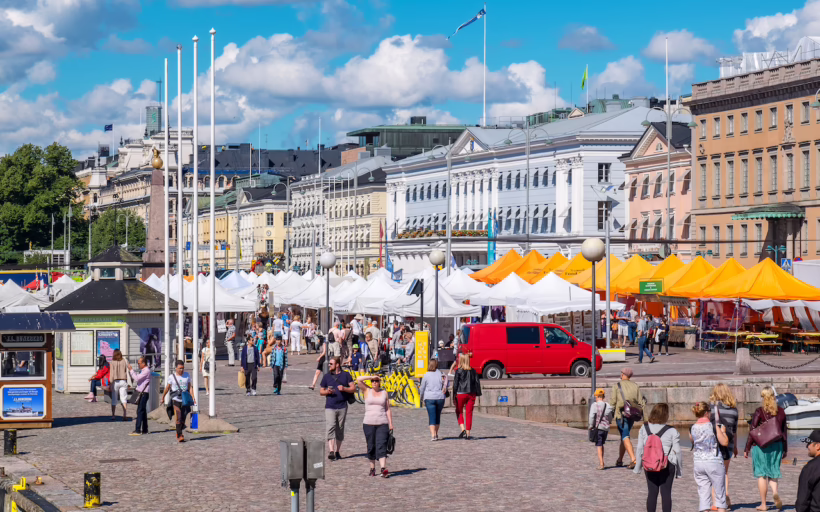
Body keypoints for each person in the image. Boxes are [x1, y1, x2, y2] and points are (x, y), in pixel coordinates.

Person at [744, 386, 787, 511]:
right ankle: (774, 492)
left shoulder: (759, 411)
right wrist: (785, 449)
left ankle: (763, 504)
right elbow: (784, 431)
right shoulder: (781, 411)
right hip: (777, 444)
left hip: (761, 446)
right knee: (773, 472)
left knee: (762, 474)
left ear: (763, 398)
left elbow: (752, 431)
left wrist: (746, 448)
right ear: (774, 397)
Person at [633, 403, 682, 512]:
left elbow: (640, 448)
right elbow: (677, 452)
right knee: (666, 494)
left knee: (652, 492)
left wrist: (638, 467)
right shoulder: (672, 431)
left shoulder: (644, 428)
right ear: (666, 415)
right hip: (667, 464)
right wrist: (679, 470)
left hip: (649, 464)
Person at [690, 401, 729, 512]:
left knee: (703, 496)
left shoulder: (692, 427)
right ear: (707, 413)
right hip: (714, 462)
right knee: (720, 496)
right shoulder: (713, 426)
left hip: (698, 463)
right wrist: (723, 432)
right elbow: (724, 442)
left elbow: (693, 441)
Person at [356, 374, 394, 478]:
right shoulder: (367, 391)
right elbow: (358, 380)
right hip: (368, 423)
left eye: (376, 381)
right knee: (371, 446)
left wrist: (390, 423)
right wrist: (371, 376)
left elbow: (387, 409)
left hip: (382, 423)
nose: (374, 382)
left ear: (379, 383)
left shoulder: (384, 393)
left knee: (382, 444)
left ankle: (383, 469)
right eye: (372, 381)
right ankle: (372, 468)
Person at [609, 367, 646, 469]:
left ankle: (634, 460)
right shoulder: (635, 386)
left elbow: (612, 403)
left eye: (621, 373)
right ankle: (620, 460)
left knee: (625, 436)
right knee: (624, 436)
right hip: (632, 415)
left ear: (624, 375)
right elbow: (641, 402)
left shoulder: (617, 386)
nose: (620, 374)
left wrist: (608, 416)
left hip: (621, 415)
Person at [710, 383, 740, 509]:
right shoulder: (734, 410)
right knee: (725, 472)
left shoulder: (712, 409)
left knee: (714, 473)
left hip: (714, 444)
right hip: (729, 443)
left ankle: (715, 503)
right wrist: (735, 447)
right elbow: (734, 431)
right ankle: (726, 493)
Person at [320, 357, 355, 460]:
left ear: (337, 365)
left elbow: (353, 388)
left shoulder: (346, 375)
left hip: (342, 406)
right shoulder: (327, 376)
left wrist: (344, 388)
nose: (329, 365)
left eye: (331, 364)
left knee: (340, 429)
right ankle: (331, 451)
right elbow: (321, 391)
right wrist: (327, 392)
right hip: (330, 406)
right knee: (330, 426)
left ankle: (337, 451)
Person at [161, 359, 194, 442]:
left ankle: (180, 429)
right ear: (176, 368)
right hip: (176, 399)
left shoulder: (187, 375)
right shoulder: (171, 377)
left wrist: (193, 397)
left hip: (185, 400)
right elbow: (167, 388)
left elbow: (190, 387)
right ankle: (179, 435)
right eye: (180, 368)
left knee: (183, 417)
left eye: (183, 368)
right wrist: (163, 397)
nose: (181, 370)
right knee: (178, 417)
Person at [452, 352, 481, 440]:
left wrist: (454, 395)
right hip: (471, 394)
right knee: (469, 413)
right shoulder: (473, 371)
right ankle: (468, 433)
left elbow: (455, 384)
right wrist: (477, 393)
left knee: (459, 411)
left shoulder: (458, 371)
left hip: (460, 393)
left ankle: (463, 429)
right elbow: (477, 383)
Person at [419, 359, 448, 441]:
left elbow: (422, 388)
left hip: (429, 397)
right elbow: (447, 384)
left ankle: (433, 435)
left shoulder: (426, 375)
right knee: (437, 416)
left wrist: (421, 397)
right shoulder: (441, 374)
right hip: (440, 397)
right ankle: (436, 433)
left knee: (431, 417)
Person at [588, 389, 613, 470]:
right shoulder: (608, 405)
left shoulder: (594, 405)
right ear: (603, 397)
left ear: (596, 396)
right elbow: (610, 417)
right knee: (601, 444)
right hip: (605, 429)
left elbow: (592, 417)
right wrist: (608, 422)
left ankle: (601, 463)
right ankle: (602, 461)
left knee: (598, 445)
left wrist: (591, 426)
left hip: (598, 428)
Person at [796, 430, 820, 512]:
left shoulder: (811, 468)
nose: (807, 446)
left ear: (817, 446)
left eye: (809, 443)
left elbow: (803, 500)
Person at [128, 356, 151, 436]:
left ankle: (138, 430)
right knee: (143, 411)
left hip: (144, 393)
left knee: (140, 411)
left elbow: (137, 378)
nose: (138, 365)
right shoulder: (143, 370)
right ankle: (145, 429)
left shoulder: (146, 371)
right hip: (142, 392)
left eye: (139, 363)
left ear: (143, 363)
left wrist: (131, 370)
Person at [108, 349, 129, 421]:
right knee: (124, 398)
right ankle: (125, 414)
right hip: (123, 380)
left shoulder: (112, 362)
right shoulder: (124, 360)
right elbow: (127, 371)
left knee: (114, 399)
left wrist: (110, 383)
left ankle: (113, 415)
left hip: (115, 382)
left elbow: (111, 374)